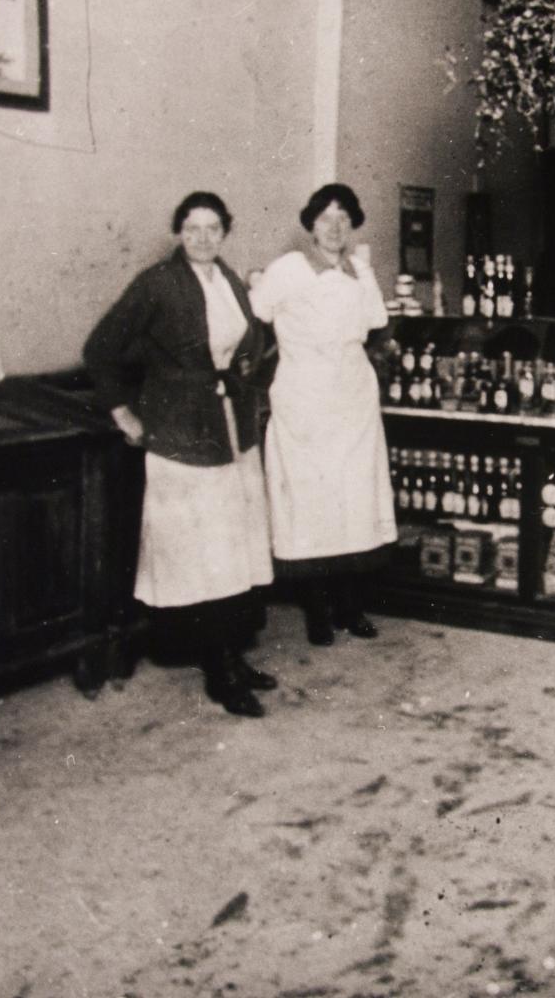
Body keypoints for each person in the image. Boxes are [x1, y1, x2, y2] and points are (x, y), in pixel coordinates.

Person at [82, 191, 276, 717]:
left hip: (229, 431)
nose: (203, 238)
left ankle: (233, 653)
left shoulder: (230, 280)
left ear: (225, 232)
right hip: (182, 439)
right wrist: (123, 413)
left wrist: (248, 386)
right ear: (178, 233)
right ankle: (220, 670)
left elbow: (250, 347)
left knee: (235, 548)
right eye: (192, 228)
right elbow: (99, 350)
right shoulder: (157, 283)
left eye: (213, 228)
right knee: (205, 556)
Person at [252, 183, 396, 646]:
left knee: (353, 500)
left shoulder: (361, 272)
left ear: (352, 225)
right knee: (311, 504)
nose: (334, 228)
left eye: (343, 219)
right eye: (325, 218)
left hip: (352, 397)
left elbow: (376, 327)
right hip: (304, 398)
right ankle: (316, 610)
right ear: (310, 224)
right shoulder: (288, 269)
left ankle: (349, 607)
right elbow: (255, 319)